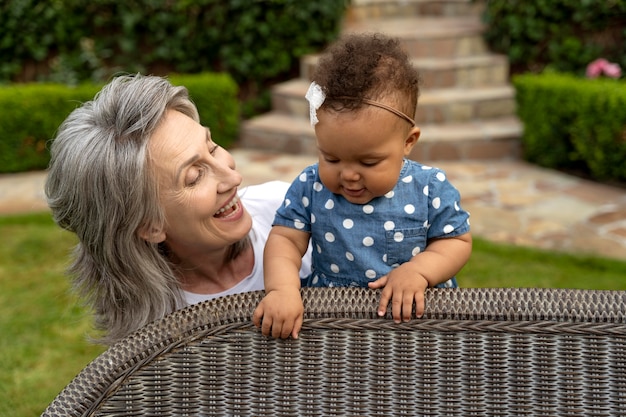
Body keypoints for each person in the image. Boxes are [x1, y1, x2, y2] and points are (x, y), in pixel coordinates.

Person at [45, 74, 311, 346]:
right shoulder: (154, 343)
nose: (233, 179)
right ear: (150, 226)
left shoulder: (292, 212)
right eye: (195, 176)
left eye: (213, 147)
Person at [253, 33, 472, 339]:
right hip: (331, 322)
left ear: (408, 142)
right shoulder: (310, 185)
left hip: (416, 325)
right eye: (331, 158)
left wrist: (419, 271)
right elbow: (286, 241)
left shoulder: (428, 187)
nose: (349, 176)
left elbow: (456, 242)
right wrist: (282, 289)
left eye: (368, 163)